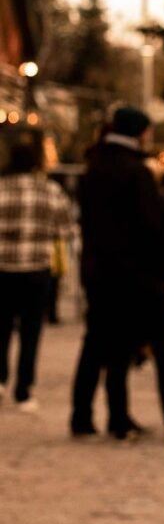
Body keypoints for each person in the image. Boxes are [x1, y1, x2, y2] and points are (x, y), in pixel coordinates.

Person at [70, 106, 164, 443]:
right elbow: (151, 226)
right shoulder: (136, 172)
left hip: (102, 275)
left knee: (115, 351)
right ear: (140, 132)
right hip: (142, 276)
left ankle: (119, 422)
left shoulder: (92, 169)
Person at [0, 127, 72, 411]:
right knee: (31, 332)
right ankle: (24, 389)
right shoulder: (51, 191)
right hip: (37, 270)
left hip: (3, 267)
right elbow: (65, 230)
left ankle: (1, 377)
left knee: (1, 327)